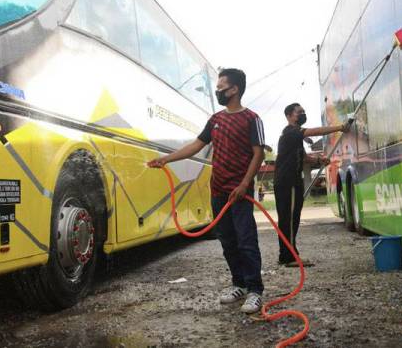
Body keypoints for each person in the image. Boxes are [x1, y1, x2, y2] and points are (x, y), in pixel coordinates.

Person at [147, 68, 266, 314]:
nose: (218, 91)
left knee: (246, 242)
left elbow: (259, 153)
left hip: (240, 193)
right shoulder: (215, 120)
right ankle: (239, 285)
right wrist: (166, 159)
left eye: (222, 87)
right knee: (228, 242)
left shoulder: (252, 118)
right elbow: (195, 146)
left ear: (234, 89)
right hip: (218, 192)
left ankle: (255, 291)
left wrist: (244, 185)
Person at [274, 103, 350, 267]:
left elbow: (303, 157)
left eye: (304, 111)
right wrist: (340, 127)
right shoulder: (291, 132)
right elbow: (315, 131)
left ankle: (287, 254)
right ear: (289, 116)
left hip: (291, 181)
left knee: (291, 218)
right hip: (287, 182)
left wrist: (318, 160)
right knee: (290, 219)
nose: (302, 114)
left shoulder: (294, 137)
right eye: (298, 112)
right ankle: (289, 257)